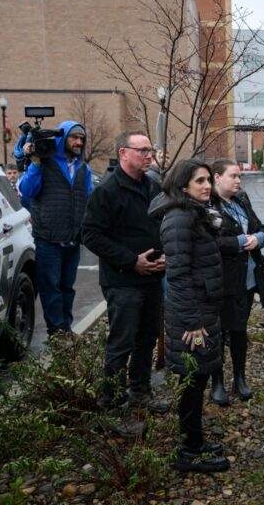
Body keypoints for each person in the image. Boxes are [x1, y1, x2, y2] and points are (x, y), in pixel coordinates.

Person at [81, 130, 169, 422]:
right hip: (123, 281)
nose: (149, 156)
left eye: (150, 151)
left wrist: (164, 253)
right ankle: (113, 401)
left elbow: (161, 225)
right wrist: (131, 261)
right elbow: (91, 235)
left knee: (146, 337)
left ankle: (140, 390)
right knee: (122, 341)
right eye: (142, 150)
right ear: (123, 153)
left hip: (153, 277)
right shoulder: (106, 191)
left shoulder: (153, 187)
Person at [149, 159, 229, 473]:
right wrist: (193, 323)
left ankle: (194, 440)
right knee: (192, 383)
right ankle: (189, 451)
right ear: (183, 185)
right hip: (191, 318)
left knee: (197, 380)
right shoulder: (179, 219)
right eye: (200, 181)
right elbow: (178, 276)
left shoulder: (194, 213)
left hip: (202, 310)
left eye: (209, 180)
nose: (207, 186)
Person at [18, 121, 93, 336]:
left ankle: (66, 327)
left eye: (81, 138)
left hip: (73, 239)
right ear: (63, 140)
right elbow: (27, 191)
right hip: (48, 239)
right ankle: (57, 331)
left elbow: (87, 198)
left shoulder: (83, 168)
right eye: (73, 137)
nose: (78, 142)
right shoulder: (45, 163)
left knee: (67, 287)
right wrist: (35, 164)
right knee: (51, 287)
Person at [208, 159, 264, 405]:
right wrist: (242, 240)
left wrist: (260, 237)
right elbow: (211, 242)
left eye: (239, 176)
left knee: (239, 330)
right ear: (216, 177)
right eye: (233, 176)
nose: (238, 181)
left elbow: (260, 227)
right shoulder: (208, 206)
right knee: (218, 332)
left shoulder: (241, 201)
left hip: (247, 280)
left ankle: (240, 378)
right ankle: (218, 382)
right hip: (222, 281)